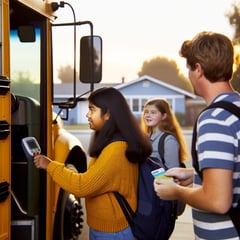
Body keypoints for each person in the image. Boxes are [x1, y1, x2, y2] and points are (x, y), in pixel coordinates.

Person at [34, 87, 152, 240]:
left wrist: (49, 165)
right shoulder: (112, 143)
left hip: (113, 233)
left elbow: (82, 186)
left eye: (92, 109)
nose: (87, 114)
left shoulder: (116, 150)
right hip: (107, 229)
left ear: (108, 113)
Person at [153, 31, 240, 239]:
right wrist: (195, 174)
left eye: (189, 69)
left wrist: (176, 192)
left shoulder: (214, 119)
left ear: (198, 70)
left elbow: (218, 201)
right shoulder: (236, 107)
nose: (189, 76)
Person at [142, 98, 189, 169]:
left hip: (160, 180)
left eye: (153, 112)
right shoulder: (145, 137)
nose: (148, 115)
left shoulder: (169, 140)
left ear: (164, 116)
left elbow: (173, 171)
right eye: (146, 112)